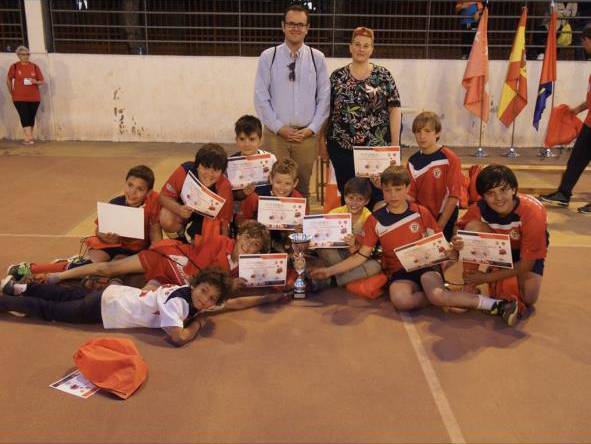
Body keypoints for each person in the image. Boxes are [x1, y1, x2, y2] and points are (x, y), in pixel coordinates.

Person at [309, 166, 519, 325]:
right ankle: (448, 296)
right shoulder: (375, 220)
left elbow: (441, 246)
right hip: (399, 272)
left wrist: (453, 251)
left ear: (407, 188)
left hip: (426, 267)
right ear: (382, 191)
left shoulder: (421, 212)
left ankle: (496, 305)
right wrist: (329, 271)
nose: (393, 195)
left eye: (398, 189)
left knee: (437, 295)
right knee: (401, 301)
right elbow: (361, 256)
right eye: (388, 190)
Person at [0, 267, 286, 347]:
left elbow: (234, 303)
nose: (206, 301)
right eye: (204, 293)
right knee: (51, 311)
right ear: (195, 285)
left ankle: (18, 287)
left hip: (112, 294)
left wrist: (270, 298)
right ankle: (7, 300)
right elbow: (178, 337)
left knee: (63, 295)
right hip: (104, 309)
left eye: (212, 299)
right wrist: (198, 324)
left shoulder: (192, 296)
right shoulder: (180, 305)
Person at [7, 165, 162, 280]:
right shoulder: (116, 203)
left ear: (148, 192)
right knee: (85, 265)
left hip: (134, 252)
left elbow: (156, 237)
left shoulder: (153, 203)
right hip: (112, 246)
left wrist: (155, 255)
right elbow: (99, 231)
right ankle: (30, 268)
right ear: (125, 183)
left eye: (139, 189)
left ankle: (61, 268)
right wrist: (106, 236)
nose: (132, 192)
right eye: (130, 185)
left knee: (114, 271)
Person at [33, 220, 271, 288]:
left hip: (175, 281)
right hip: (169, 260)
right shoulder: (220, 241)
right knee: (109, 268)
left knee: (130, 291)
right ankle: (57, 276)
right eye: (247, 239)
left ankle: (77, 281)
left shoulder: (247, 268)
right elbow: (198, 271)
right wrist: (229, 284)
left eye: (255, 245)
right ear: (239, 236)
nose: (249, 246)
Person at [254, 4, 330, 197]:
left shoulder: (317, 58)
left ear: (307, 28)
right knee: (274, 187)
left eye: (300, 24)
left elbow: (324, 98)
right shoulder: (268, 57)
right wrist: (279, 127)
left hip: (306, 137)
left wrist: (312, 129)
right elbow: (261, 97)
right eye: (291, 24)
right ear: (283, 26)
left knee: (302, 189)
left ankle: (302, 219)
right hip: (275, 136)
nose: (295, 28)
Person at [320, 27, 401, 205]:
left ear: (372, 49)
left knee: (377, 196)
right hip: (342, 149)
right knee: (350, 195)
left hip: (376, 149)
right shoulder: (337, 77)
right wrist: (321, 140)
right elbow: (326, 110)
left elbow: (394, 109)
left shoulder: (384, 76)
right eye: (357, 44)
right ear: (350, 47)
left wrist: (395, 146)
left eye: (366, 45)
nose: (361, 49)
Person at [459, 165, 548, 309]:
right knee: (471, 228)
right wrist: (456, 241)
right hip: (500, 249)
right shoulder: (479, 208)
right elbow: (460, 226)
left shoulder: (533, 211)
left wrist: (486, 278)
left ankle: (496, 274)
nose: (498, 198)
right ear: (483, 196)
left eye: (503, 190)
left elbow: (527, 264)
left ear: (513, 189)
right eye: (490, 193)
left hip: (525, 255)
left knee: (529, 298)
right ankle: (470, 285)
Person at [539, 25, 591, 214]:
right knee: (577, 159)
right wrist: (576, 110)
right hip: (589, 124)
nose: (583, 46)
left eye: (583, 42)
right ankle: (563, 194)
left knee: (577, 159)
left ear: (588, 40)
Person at [159, 143, 234, 240]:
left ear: (222, 172)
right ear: (197, 165)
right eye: (206, 167)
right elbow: (163, 196)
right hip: (184, 213)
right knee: (165, 216)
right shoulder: (184, 171)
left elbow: (225, 220)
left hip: (206, 221)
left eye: (215, 170)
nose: (209, 174)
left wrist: (224, 243)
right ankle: (181, 237)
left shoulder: (224, 186)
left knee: (207, 238)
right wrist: (179, 209)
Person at [407, 112, 463, 241]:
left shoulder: (450, 158)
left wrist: (438, 227)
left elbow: (454, 197)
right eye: (418, 132)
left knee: (441, 251)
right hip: (422, 216)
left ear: (437, 133)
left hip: (444, 217)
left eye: (427, 131)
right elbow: (411, 197)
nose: (422, 136)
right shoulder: (412, 161)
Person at [316, 177, 381, 287]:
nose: (354, 203)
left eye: (360, 199)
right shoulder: (334, 213)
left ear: (367, 201)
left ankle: (331, 281)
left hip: (357, 257)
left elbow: (364, 253)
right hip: (337, 256)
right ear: (344, 197)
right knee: (322, 248)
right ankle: (347, 277)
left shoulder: (369, 219)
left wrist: (353, 246)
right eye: (351, 198)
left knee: (375, 266)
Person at [237, 158, 306, 253]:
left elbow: (302, 229)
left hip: (284, 238)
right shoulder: (255, 196)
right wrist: (254, 226)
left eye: (287, 183)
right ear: (271, 179)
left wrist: (299, 230)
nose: (282, 188)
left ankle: (287, 254)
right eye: (278, 182)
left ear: (295, 183)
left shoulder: (299, 201)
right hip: (258, 236)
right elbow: (242, 220)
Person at [229, 114, 277, 204]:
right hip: (241, 208)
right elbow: (229, 194)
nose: (247, 144)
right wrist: (242, 193)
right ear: (236, 140)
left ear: (260, 140)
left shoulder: (271, 159)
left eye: (252, 139)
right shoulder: (230, 163)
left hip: (266, 206)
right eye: (242, 139)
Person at [6, 46, 44, 145]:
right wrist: (12, 92)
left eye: (27, 54)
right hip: (19, 97)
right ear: (18, 55)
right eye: (23, 54)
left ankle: (28, 138)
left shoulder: (35, 67)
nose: (26, 56)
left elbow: (41, 81)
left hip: (34, 98)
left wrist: (35, 81)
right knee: (24, 116)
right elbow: (8, 80)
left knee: (31, 117)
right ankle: (29, 137)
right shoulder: (14, 66)